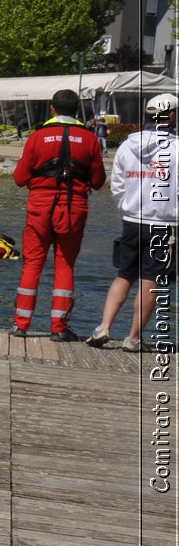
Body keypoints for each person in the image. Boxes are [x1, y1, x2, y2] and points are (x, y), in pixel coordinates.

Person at [10, 89, 107, 340]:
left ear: (52, 108)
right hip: (73, 208)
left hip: (40, 209)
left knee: (33, 263)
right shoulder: (90, 139)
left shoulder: (37, 137)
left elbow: (19, 178)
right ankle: (59, 329)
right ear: (77, 111)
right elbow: (97, 181)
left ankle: (21, 325)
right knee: (65, 265)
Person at [86, 92, 177, 352]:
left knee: (123, 275)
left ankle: (103, 326)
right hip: (163, 222)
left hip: (131, 220)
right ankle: (134, 338)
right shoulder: (176, 148)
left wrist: (127, 208)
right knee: (151, 280)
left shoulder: (128, 145)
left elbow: (116, 184)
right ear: (171, 116)